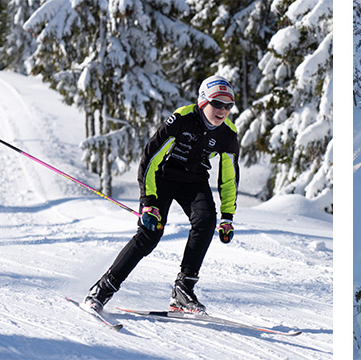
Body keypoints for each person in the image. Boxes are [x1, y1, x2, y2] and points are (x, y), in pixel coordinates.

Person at [82, 75, 242, 314]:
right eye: (217, 104)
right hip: (163, 176)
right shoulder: (182, 119)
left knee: (206, 221)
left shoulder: (228, 133)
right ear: (202, 102)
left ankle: (183, 291)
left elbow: (229, 177)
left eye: (228, 105)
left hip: (194, 180)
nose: (223, 110)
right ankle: (102, 289)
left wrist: (227, 216)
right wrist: (148, 203)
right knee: (150, 234)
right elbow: (149, 159)